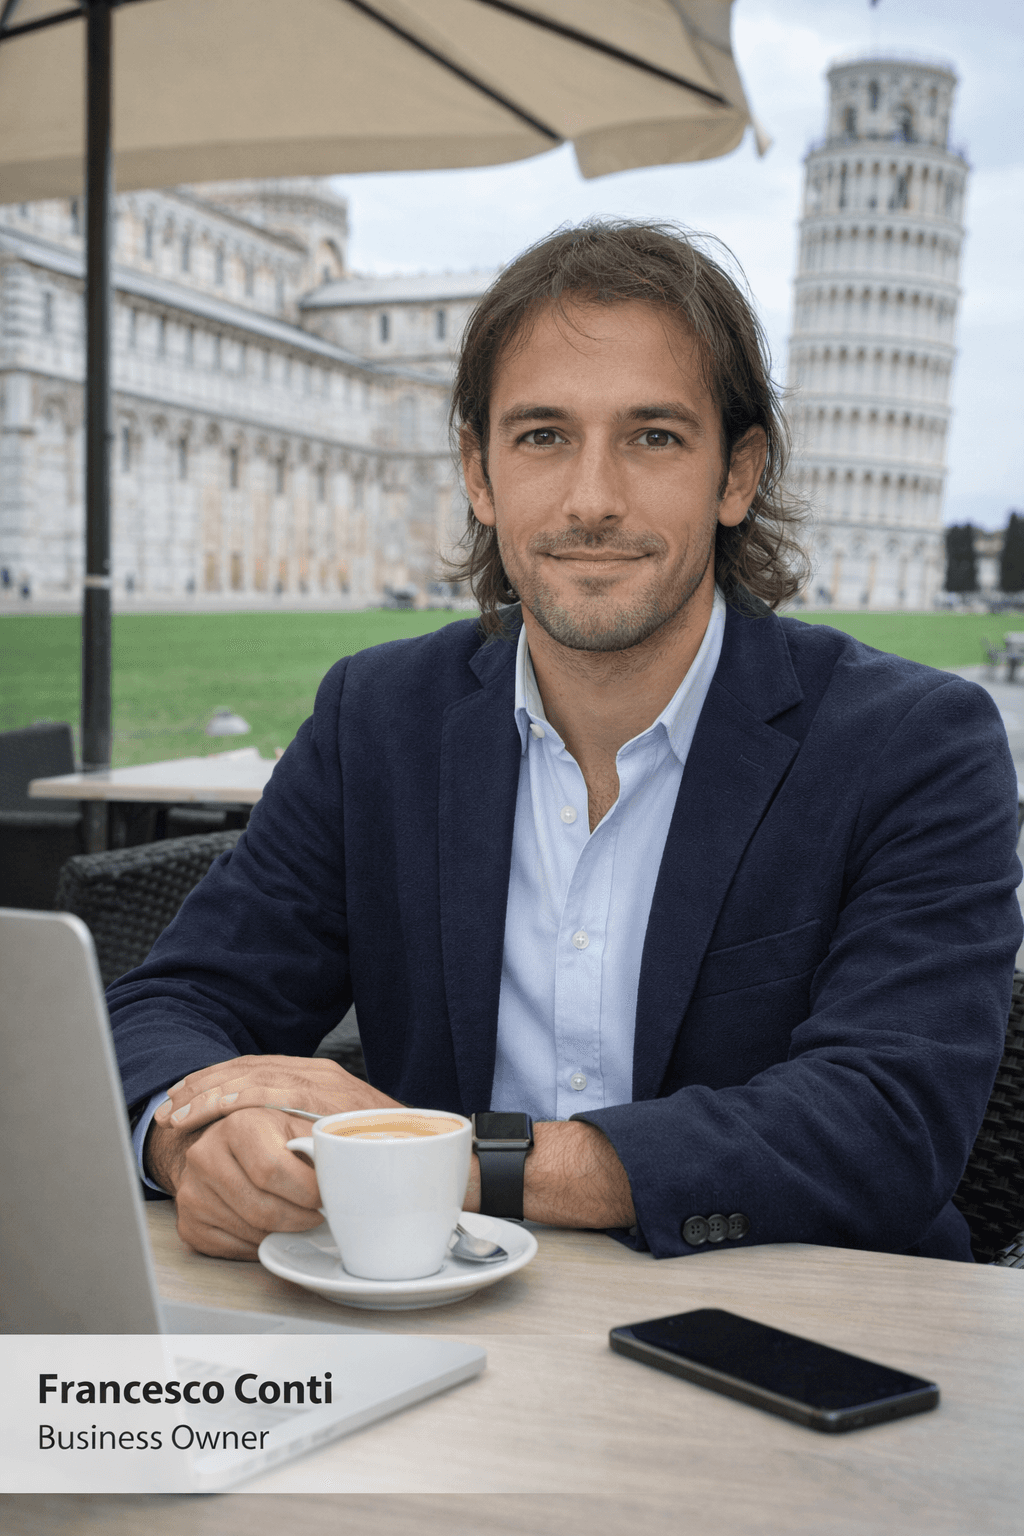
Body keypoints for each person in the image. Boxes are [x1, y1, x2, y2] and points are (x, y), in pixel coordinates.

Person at [110, 220, 1021, 1265]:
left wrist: (446, 1159)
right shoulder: (380, 718)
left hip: (797, 1349)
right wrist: (200, 1144)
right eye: (542, 435)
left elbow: (883, 1128)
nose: (592, 500)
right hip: (447, 1328)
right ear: (479, 474)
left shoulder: (914, 745)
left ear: (737, 475)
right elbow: (172, 1004)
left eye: (653, 437)